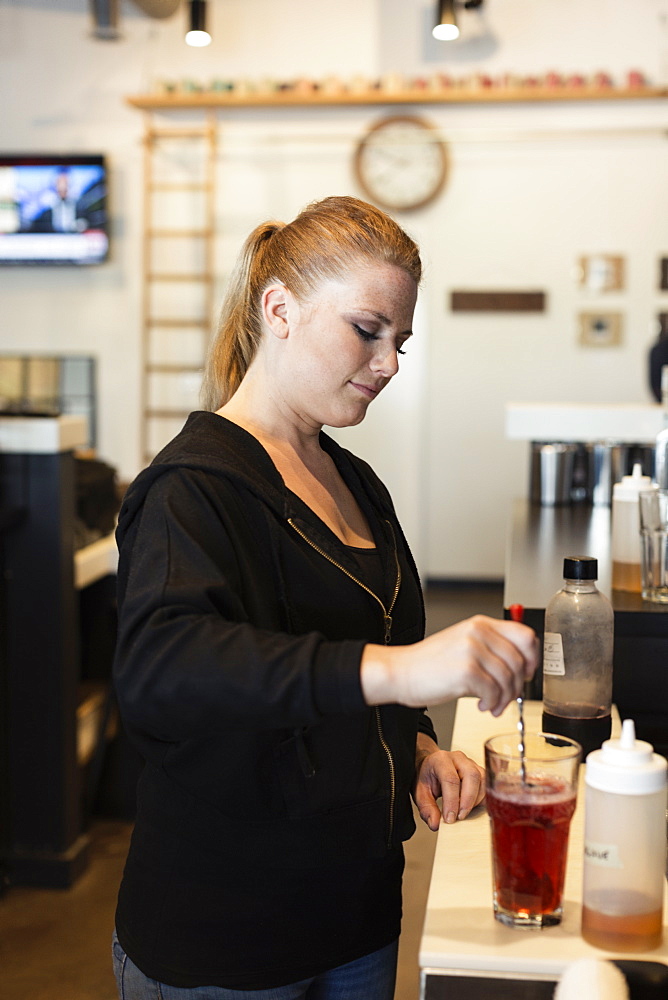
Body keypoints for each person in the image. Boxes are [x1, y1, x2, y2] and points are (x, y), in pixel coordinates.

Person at [111, 195, 538, 1000]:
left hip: (358, 916)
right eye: (366, 330)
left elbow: (351, 650)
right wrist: (402, 674)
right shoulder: (192, 488)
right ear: (278, 309)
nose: (388, 363)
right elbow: (166, 669)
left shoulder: (355, 482)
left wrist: (410, 747)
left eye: (400, 341)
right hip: (228, 939)